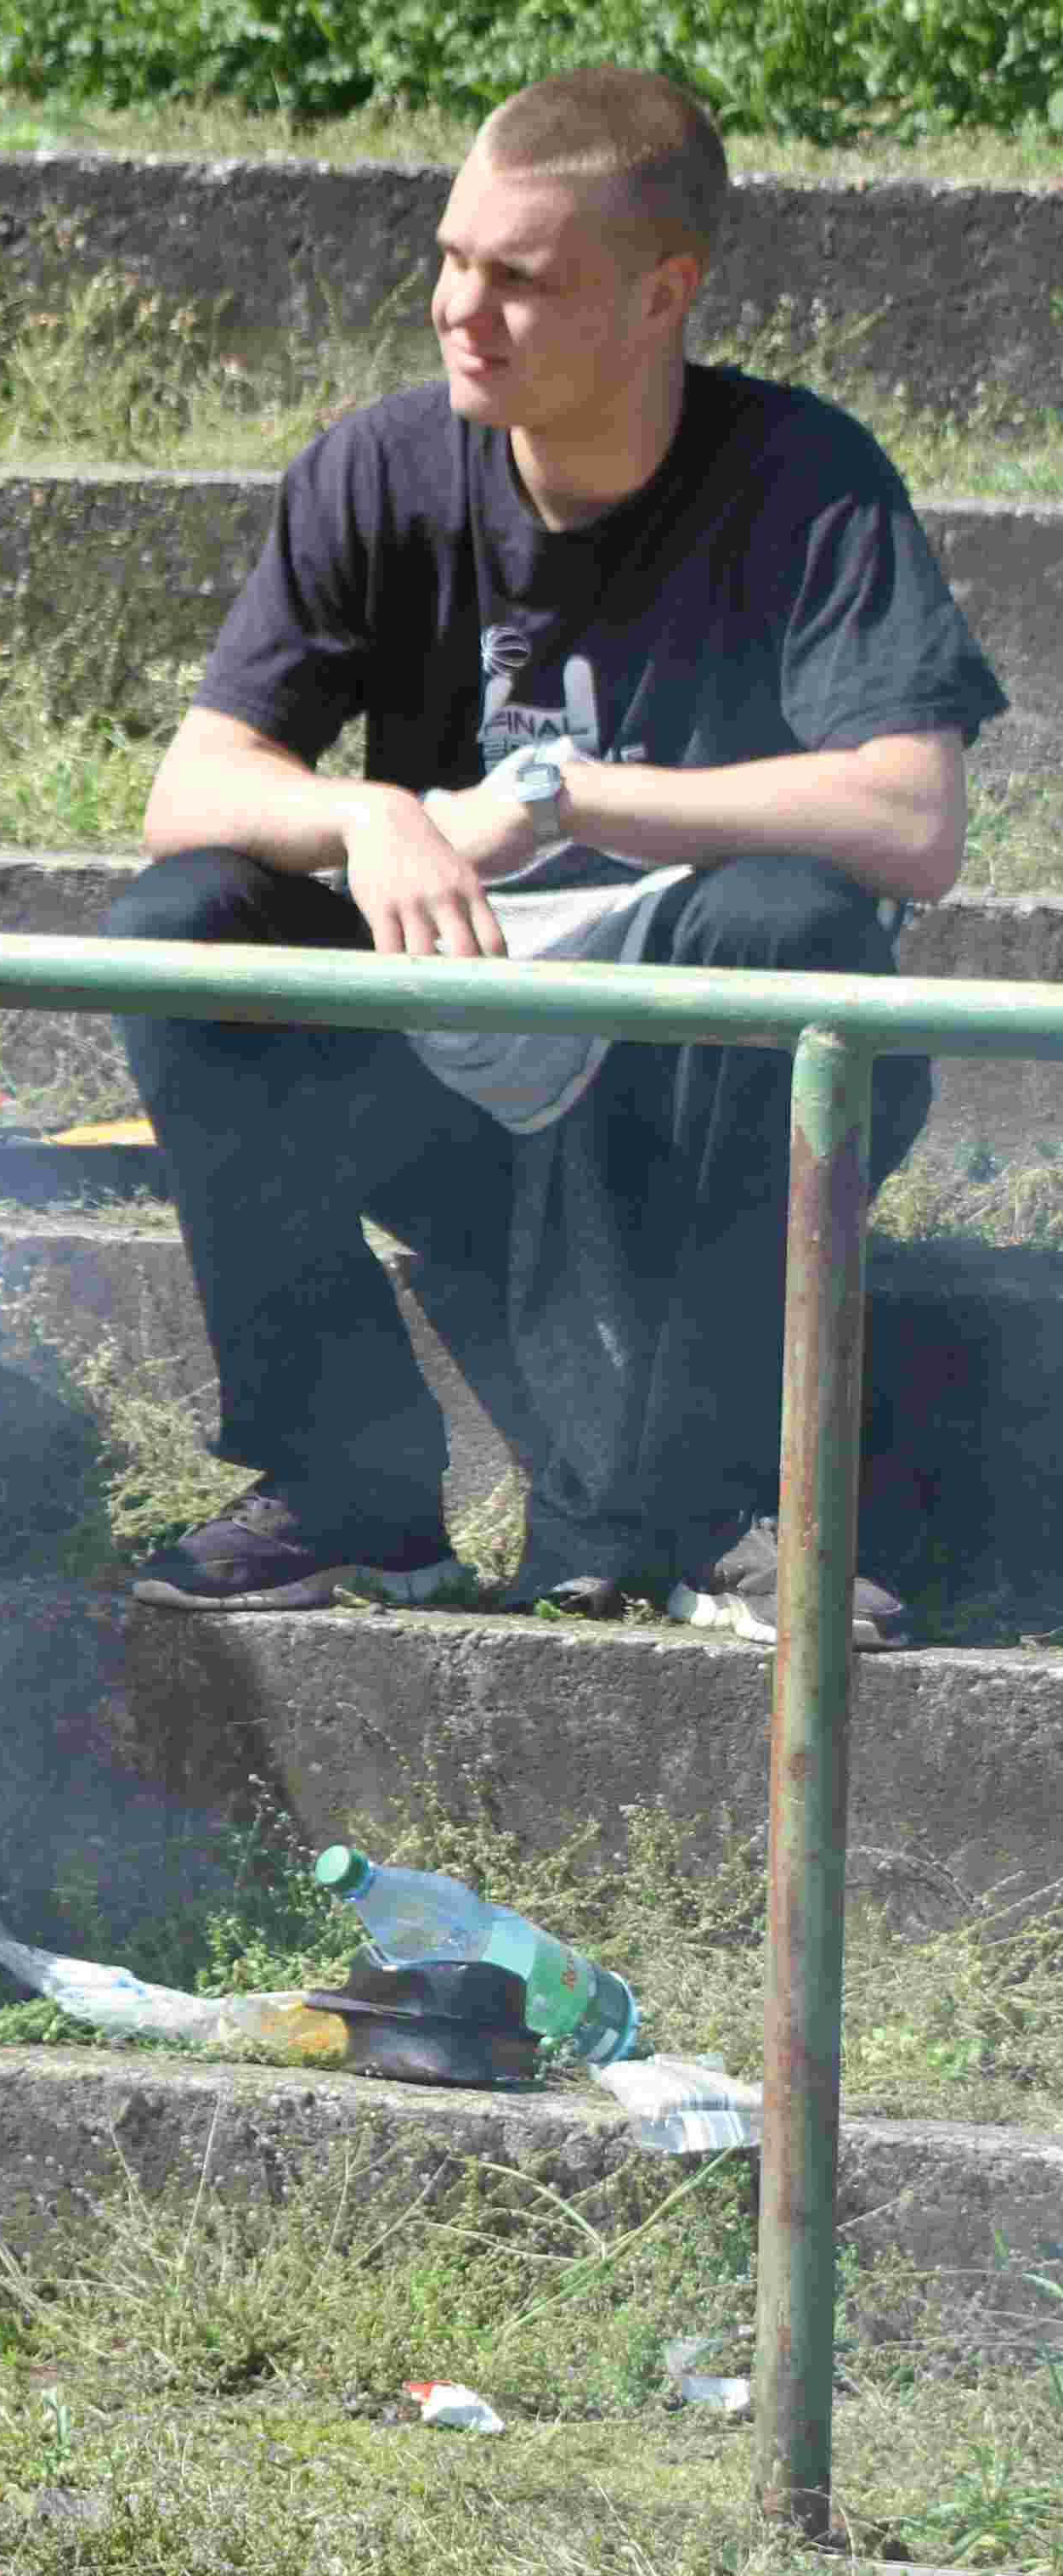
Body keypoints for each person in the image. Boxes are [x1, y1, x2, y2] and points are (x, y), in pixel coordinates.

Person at [111, 65, 1004, 1646]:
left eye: (521, 278)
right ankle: (347, 1485)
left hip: (692, 1109)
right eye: (452, 258)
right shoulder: (377, 467)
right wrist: (370, 814)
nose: (461, 310)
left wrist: (565, 794)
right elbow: (195, 783)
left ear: (663, 296)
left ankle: (723, 1505)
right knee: (183, 920)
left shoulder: (804, 477)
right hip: (448, 1070)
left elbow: (911, 822)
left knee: (793, 920)